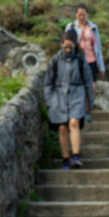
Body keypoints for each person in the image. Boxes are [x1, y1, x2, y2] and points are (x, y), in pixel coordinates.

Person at [44, 29, 95, 169]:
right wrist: (49, 102)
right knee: (61, 127)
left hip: (76, 93)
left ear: (75, 45)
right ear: (61, 45)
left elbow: (88, 81)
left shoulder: (80, 59)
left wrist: (90, 102)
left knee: (73, 123)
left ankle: (76, 156)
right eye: (65, 47)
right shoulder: (55, 60)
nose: (68, 50)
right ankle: (65, 159)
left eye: (70, 47)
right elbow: (48, 83)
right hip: (58, 96)